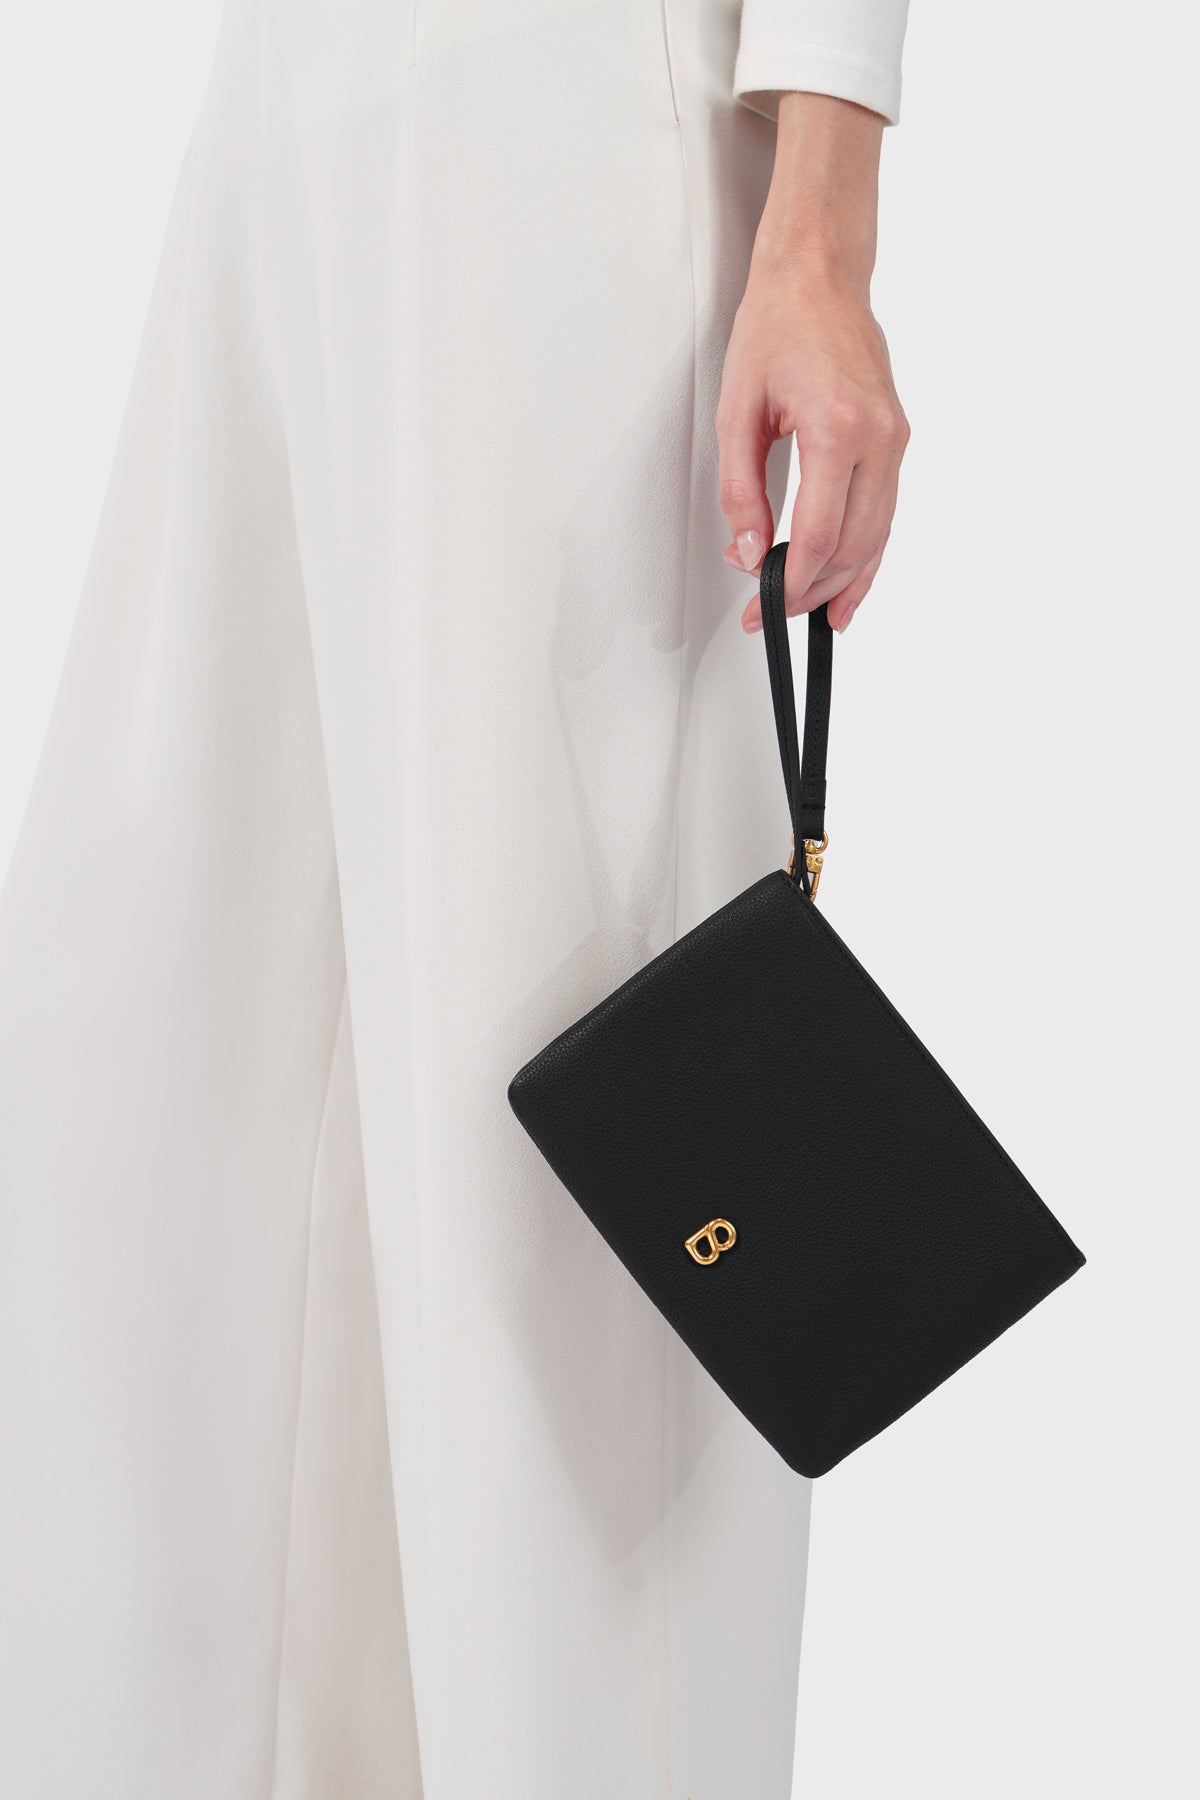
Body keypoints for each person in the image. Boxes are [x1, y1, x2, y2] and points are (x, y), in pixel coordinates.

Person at [0, 1, 909, 1794]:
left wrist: (820, 235)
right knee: (162, 1093)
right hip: (276, 128)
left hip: (570, 126)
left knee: (557, 1166)